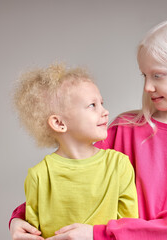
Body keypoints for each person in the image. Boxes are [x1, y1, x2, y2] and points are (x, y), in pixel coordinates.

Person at [9, 15, 167, 240]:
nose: (148, 87)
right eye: (144, 75)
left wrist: (99, 235)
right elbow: (69, 177)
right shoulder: (125, 128)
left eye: (158, 75)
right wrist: (20, 218)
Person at [12, 63, 138, 238]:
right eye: (92, 105)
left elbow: (129, 230)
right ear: (59, 123)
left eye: (102, 103)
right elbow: (33, 235)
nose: (105, 111)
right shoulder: (39, 175)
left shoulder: (119, 165)